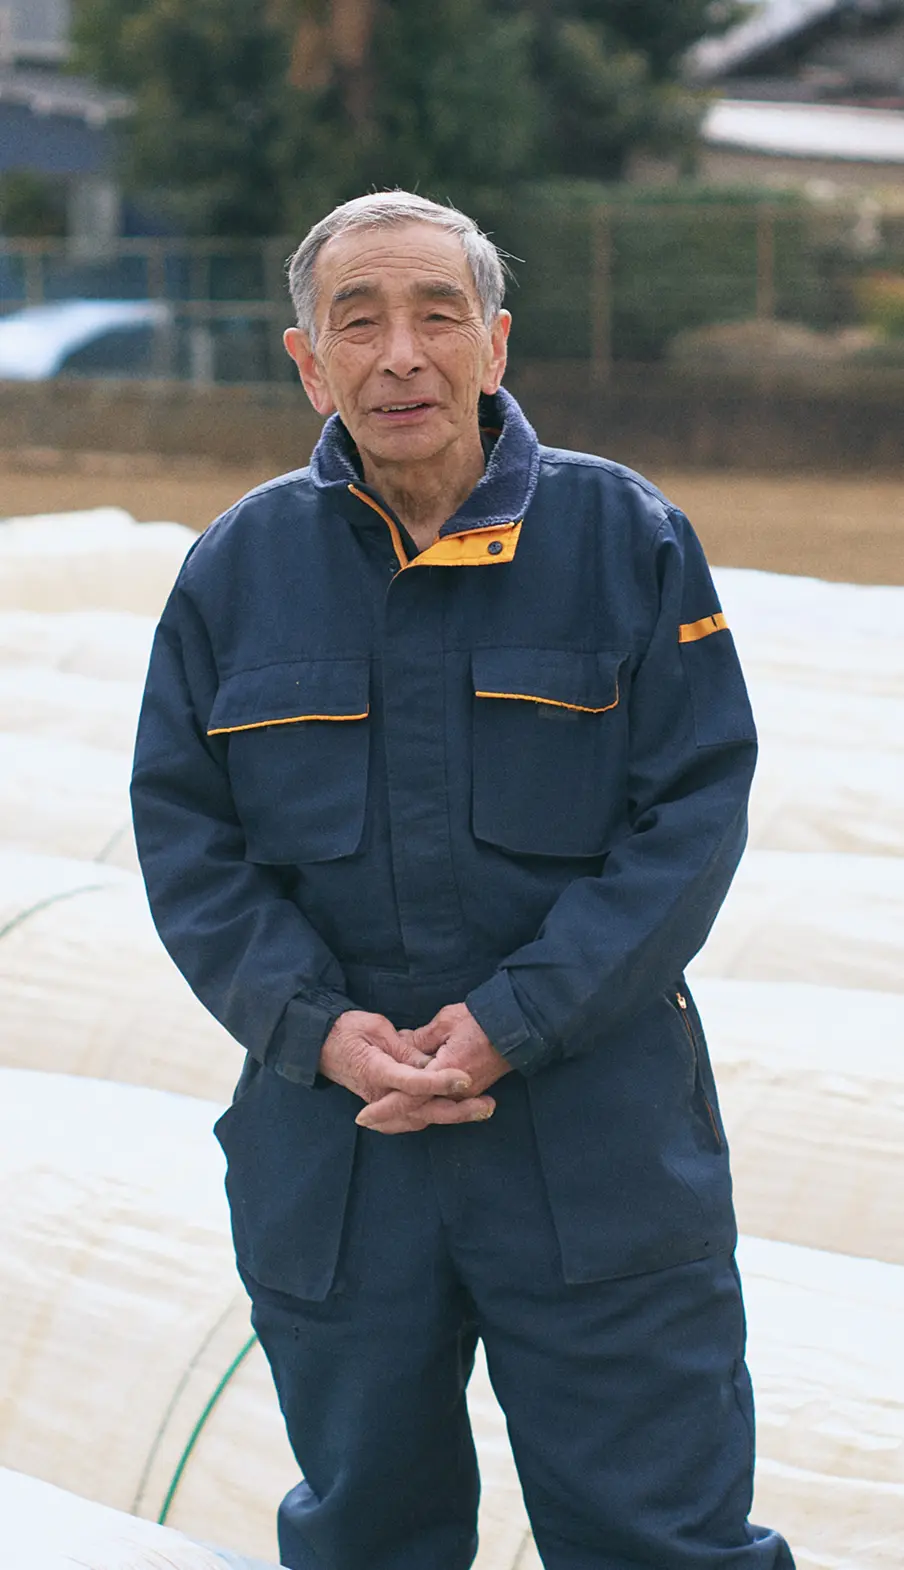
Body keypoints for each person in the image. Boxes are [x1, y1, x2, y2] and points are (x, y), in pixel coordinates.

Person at [131, 190, 795, 1570]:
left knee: (657, 1538)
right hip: (342, 1146)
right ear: (307, 362)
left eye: (438, 315)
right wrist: (319, 1030)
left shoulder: (625, 539)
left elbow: (691, 815)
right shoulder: (237, 571)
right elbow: (189, 842)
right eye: (357, 321)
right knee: (370, 1534)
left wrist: (516, 1017)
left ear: (495, 344)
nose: (401, 354)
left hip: (593, 1138)